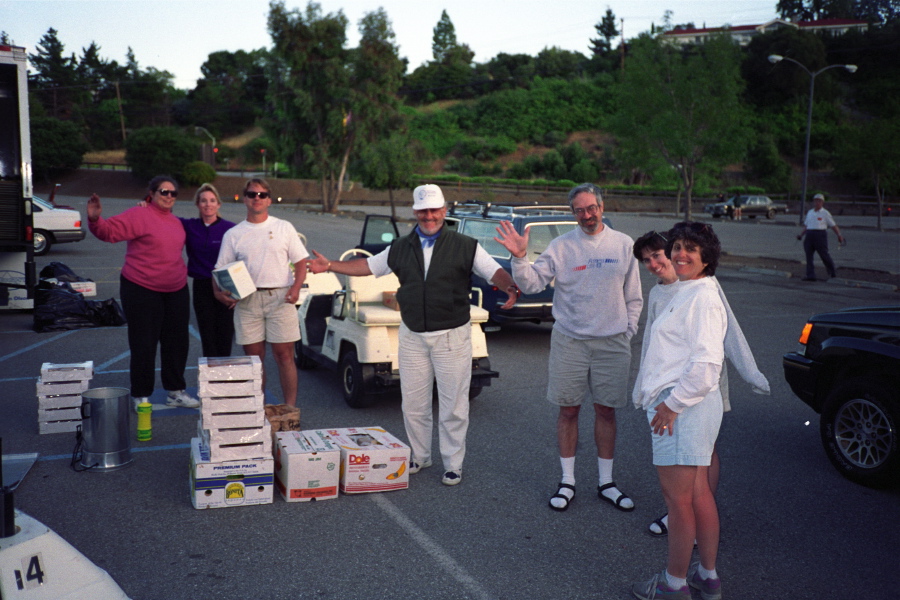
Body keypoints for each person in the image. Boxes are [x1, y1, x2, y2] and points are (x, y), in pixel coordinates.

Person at [308, 184, 517, 486]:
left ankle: (453, 463)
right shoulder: (400, 246)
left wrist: (509, 286)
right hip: (412, 334)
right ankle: (420, 456)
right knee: (414, 402)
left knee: (453, 404)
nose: (429, 216)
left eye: (434, 210)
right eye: (423, 210)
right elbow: (367, 265)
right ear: (415, 212)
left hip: (451, 335)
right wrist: (330, 265)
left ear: (444, 211)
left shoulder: (466, 245)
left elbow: (492, 270)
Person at [494, 182, 642, 512]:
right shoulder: (562, 246)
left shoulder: (623, 245)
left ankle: (606, 482)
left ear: (603, 208)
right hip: (570, 342)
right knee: (568, 410)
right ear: (573, 213)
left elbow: (634, 297)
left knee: (606, 410)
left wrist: (626, 332)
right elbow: (531, 284)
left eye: (592, 208)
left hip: (613, 343)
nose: (587, 215)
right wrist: (519, 257)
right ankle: (568, 481)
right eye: (580, 210)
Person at [631, 229, 769, 539]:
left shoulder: (700, 287)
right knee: (687, 463)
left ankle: (692, 517)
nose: (653, 264)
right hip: (667, 385)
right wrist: (643, 386)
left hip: (699, 381)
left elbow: (728, 331)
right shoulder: (658, 292)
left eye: (657, 255)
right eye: (646, 261)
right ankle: (683, 516)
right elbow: (652, 343)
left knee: (703, 451)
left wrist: (752, 374)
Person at [631, 222, 727, 600]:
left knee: (679, 501)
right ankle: (708, 577)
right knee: (699, 493)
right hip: (688, 405)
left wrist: (670, 407)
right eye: (677, 247)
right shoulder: (688, 290)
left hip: (682, 406)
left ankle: (673, 586)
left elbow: (706, 367)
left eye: (691, 249)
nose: (680, 255)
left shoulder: (702, 296)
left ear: (706, 257)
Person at [87, 175, 199, 411]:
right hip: (141, 288)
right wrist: (95, 219)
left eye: (173, 193)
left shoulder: (177, 222)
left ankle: (175, 392)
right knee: (143, 344)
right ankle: (141, 395)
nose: (168, 196)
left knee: (176, 343)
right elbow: (109, 232)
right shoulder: (139, 214)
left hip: (176, 289)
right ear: (152, 193)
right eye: (163, 192)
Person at [213, 178, 307, 407]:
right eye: (252, 194)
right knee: (255, 360)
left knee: (284, 356)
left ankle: (290, 409)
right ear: (244, 198)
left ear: (269, 200)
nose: (257, 198)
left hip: (281, 298)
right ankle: (259, 410)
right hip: (248, 301)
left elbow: (301, 262)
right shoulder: (234, 234)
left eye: (262, 195)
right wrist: (218, 293)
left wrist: (296, 288)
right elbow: (218, 270)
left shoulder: (284, 227)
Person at [181, 183, 236, 357]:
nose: (208, 204)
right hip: (202, 286)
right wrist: (146, 203)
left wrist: (238, 292)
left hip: (225, 284)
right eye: (203, 200)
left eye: (212, 200)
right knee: (208, 336)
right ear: (197, 204)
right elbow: (161, 217)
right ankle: (211, 379)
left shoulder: (230, 228)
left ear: (218, 204)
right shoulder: (190, 226)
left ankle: (224, 378)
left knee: (225, 335)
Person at [797, 193, 844, 281]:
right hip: (810, 234)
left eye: (819, 201)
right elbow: (806, 226)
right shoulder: (810, 212)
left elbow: (833, 225)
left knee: (824, 255)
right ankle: (810, 275)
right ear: (813, 202)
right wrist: (801, 235)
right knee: (809, 256)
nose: (817, 202)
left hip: (820, 235)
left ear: (822, 202)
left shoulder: (825, 213)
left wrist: (839, 235)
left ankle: (832, 272)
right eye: (816, 201)